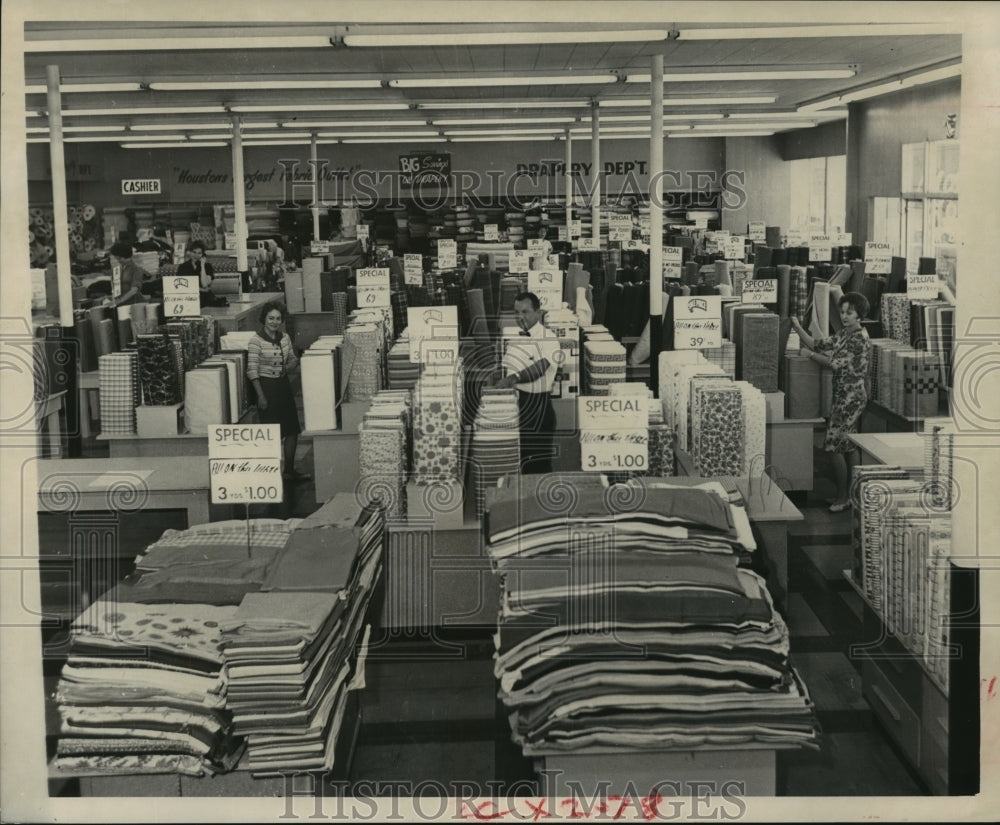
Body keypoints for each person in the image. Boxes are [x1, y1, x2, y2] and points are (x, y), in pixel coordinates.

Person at [791, 292, 872, 512]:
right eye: (843, 312)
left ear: (860, 315)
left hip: (851, 396)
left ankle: (842, 497)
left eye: (850, 312)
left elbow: (835, 364)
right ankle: (853, 495)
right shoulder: (846, 333)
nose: (845, 316)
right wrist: (797, 327)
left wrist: (808, 356)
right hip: (845, 394)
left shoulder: (858, 339)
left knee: (835, 445)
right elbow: (818, 344)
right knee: (848, 444)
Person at [494, 291, 558, 474]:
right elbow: (506, 368)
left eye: (525, 312)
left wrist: (513, 379)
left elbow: (540, 368)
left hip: (538, 408)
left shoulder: (549, 338)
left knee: (538, 465)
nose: (519, 316)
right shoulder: (515, 338)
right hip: (517, 407)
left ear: (538, 313)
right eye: (516, 312)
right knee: (520, 462)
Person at [246, 301, 310, 483]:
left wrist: (288, 366)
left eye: (278, 319)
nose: (274, 322)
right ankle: (271, 475)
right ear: (264, 319)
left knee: (291, 430)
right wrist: (261, 396)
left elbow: (293, 358)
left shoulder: (285, 338)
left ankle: (289, 471)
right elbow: (252, 370)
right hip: (266, 388)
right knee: (271, 432)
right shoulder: (255, 341)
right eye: (271, 318)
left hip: (283, 386)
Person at [104, 241, 150, 307]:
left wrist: (118, 301)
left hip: (135, 304)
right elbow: (115, 289)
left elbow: (134, 290)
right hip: (121, 304)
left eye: (119, 258)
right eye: (117, 258)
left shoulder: (137, 269)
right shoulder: (117, 270)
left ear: (126, 256)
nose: (118, 260)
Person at [176, 241, 216, 306]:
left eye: (199, 253)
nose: (196, 255)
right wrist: (201, 289)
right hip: (188, 294)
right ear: (190, 252)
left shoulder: (207, 266)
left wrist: (202, 266)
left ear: (203, 255)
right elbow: (181, 285)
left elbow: (205, 284)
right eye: (194, 252)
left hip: (203, 296)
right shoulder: (183, 267)